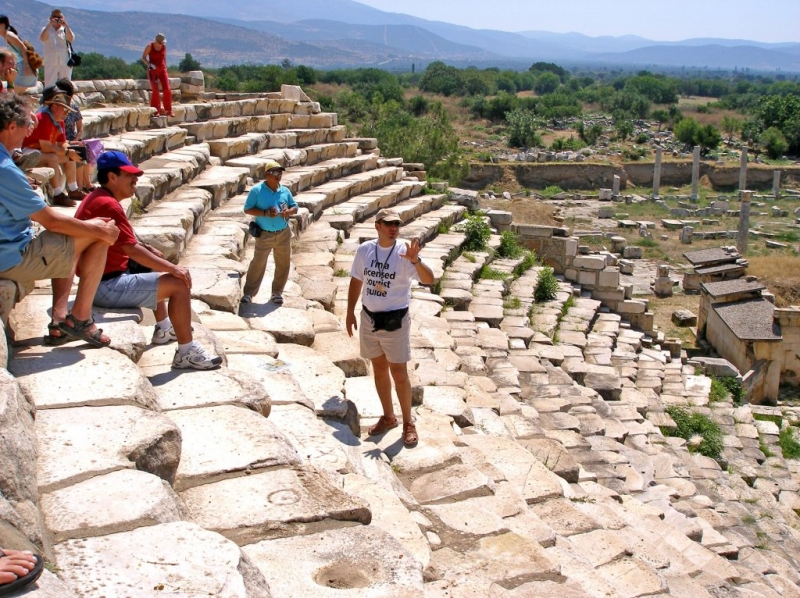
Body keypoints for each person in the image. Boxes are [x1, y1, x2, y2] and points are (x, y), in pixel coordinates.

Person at [64, 150, 222, 370]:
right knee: (179, 284)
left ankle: (164, 327)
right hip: (105, 287)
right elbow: (131, 249)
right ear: (112, 177)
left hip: (101, 280)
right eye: (129, 175)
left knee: (152, 260)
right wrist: (174, 269)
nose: (135, 180)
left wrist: (153, 254)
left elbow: (129, 244)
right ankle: (186, 352)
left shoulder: (99, 197)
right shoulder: (108, 204)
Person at [0, 92, 119, 348]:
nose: (29, 131)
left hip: (7, 246)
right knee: (100, 234)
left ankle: (60, 320)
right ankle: (80, 318)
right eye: (26, 125)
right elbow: (51, 221)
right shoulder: (4, 169)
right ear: (10, 126)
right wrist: (95, 228)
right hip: (9, 256)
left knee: (77, 234)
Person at [346, 208, 434, 448]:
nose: (394, 228)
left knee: (399, 373)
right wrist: (349, 311)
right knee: (379, 369)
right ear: (378, 226)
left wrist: (416, 261)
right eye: (388, 224)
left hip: (395, 322)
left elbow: (429, 279)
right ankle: (388, 416)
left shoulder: (404, 252)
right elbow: (356, 280)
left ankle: (408, 422)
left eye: (397, 224)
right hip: (369, 319)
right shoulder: (365, 250)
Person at [240, 160, 298, 305]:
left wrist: (288, 212)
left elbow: (294, 207)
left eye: (280, 172)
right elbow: (247, 209)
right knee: (258, 263)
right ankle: (249, 293)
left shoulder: (285, 191)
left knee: (283, 264)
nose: (278, 175)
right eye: (275, 172)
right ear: (267, 174)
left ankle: (277, 292)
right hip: (264, 234)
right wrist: (265, 213)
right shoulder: (256, 191)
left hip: (283, 232)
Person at [22, 86, 85, 206]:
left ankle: (73, 189)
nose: (66, 113)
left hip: (40, 152)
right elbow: (46, 147)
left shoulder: (59, 121)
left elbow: (62, 143)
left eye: (68, 110)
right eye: (64, 109)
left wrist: (69, 151)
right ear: (54, 106)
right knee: (53, 157)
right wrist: (66, 151)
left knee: (70, 156)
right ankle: (58, 194)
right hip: (28, 151)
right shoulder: (43, 118)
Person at [54, 78, 92, 193]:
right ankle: (79, 186)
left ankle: (87, 184)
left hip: (71, 138)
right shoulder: (55, 111)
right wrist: (71, 143)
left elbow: (80, 128)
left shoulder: (74, 107)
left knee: (84, 147)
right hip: (63, 141)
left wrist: (76, 139)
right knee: (77, 151)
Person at [0, 15, 39, 93]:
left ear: (2, 25)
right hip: (24, 68)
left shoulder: (8, 35)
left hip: (25, 68)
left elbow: (23, 48)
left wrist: (27, 66)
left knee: (14, 91)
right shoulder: (7, 36)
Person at [39, 9, 74, 88]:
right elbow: (42, 38)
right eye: (55, 16)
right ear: (50, 18)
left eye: (59, 17)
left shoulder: (65, 30)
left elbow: (71, 39)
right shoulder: (46, 29)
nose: (57, 18)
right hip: (50, 61)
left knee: (66, 84)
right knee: (49, 84)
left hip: (65, 61)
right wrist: (50, 24)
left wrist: (66, 26)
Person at [141, 34, 173, 117]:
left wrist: (165, 68)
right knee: (155, 90)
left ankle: (168, 110)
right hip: (153, 70)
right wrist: (149, 64)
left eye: (163, 43)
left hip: (162, 69)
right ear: (157, 41)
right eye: (160, 43)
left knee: (167, 89)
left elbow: (164, 58)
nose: (162, 44)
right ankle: (156, 110)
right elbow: (143, 57)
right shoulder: (150, 46)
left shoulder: (164, 47)